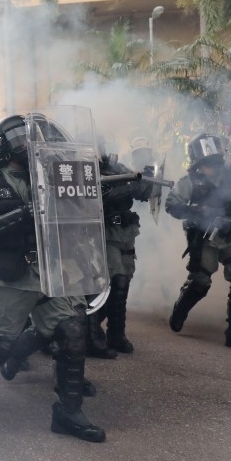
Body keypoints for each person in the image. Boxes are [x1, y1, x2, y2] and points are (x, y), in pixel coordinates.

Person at [0, 115, 106, 443]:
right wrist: (25, 213)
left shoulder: (54, 177)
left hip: (54, 271)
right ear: (6, 146)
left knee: (73, 332)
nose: (33, 142)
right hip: (14, 277)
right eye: (23, 138)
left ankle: (68, 412)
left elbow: (80, 218)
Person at [165, 133, 231, 352]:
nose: (216, 156)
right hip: (206, 235)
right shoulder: (191, 182)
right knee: (200, 281)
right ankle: (180, 310)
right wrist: (197, 212)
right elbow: (172, 205)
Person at [87, 139, 152, 357]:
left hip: (125, 233)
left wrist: (147, 174)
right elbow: (99, 198)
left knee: (123, 283)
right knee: (114, 281)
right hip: (103, 233)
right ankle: (92, 331)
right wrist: (128, 187)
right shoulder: (84, 170)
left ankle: (116, 333)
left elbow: (143, 194)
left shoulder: (118, 169)